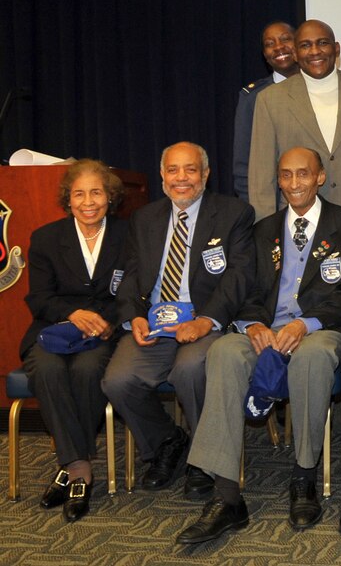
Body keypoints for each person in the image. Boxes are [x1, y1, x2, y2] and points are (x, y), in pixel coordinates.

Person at [176, 147, 341, 544]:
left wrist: (305, 325)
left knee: (312, 356)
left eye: (303, 174)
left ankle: (304, 477)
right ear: (278, 180)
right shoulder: (262, 230)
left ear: (320, 177)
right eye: (286, 175)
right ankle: (227, 498)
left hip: (322, 329)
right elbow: (247, 290)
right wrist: (254, 324)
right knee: (223, 351)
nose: (294, 183)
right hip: (266, 330)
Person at [102, 142, 255, 498]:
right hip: (154, 324)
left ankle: (204, 460)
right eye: (173, 170)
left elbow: (240, 276)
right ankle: (167, 442)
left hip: (203, 322)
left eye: (190, 170)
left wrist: (207, 320)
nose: (181, 178)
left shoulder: (234, 213)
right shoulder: (144, 218)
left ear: (205, 174)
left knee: (191, 370)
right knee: (118, 381)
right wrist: (132, 318)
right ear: (161, 175)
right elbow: (130, 274)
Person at [21, 159, 128, 522]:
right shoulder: (46, 238)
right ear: (68, 199)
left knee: (88, 370)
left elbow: (134, 292)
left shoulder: (128, 236)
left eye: (96, 192)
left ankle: (69, 468)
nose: (88, 201)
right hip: (55, 330)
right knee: (47, 370)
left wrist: (108, 321)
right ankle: (80, 466)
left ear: (110, 197)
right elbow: (39, 298)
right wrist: (72, 314)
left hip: (103, 334)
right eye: (79, 193)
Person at [249, 19, 341, 219]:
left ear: (337, 48)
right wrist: (267, 232)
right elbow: (261, 177)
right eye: (305, 45)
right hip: (298, 220)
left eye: (323, 43)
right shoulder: (270, 99)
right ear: (295, 53)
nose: (315, 51)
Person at [232, 21, 298, 202]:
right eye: (270, 44)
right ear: (264, 55)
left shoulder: (319, 89)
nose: (279, 47)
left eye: (286, 39)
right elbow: (243, 165)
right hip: (275, 205)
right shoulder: (253, 97)